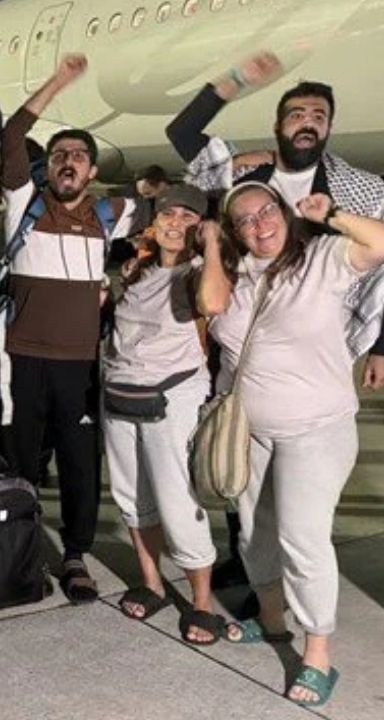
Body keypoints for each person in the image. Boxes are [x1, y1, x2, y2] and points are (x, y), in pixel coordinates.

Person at [166, 51, 384, 594]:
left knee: (306, 478)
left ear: (328, 127)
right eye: (296, 114)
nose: (307, 123)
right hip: (242, 344)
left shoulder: (356, 189)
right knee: (234, 454)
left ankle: (299, 567)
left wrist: (381, 344)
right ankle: (251, 564)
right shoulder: (247, 177)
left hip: (315, 352)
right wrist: (238, 79)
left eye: (318, 116)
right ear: (278, 124)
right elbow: (183, 131)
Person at [196, 183, 384, 706]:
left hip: (317, 428)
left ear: (283, 211)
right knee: (255, 536)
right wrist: (211, 245)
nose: (259, 225)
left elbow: (380, 244)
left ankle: (318, 653)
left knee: (302, 537)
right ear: (234, 231)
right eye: (244, 220)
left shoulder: (322, 258)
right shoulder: (235, 274)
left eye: (266, 211)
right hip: (250, 432)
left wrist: (333, 213)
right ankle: (272, 620)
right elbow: (209, 304)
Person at [0, 54, 136, 604]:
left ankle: (75, 555)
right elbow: (12, 134)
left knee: (80, 465)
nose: (68, 162)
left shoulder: (109, 215)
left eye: (79, 155)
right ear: (48, 168)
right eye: (59, 156)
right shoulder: (23, 204)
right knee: (20, 461)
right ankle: (21, 548)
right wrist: (57, 83)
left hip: (80, 364)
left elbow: (178, 215)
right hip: (22, 359)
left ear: (92, 171)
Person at [103, 184, 222, 644]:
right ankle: (152, 583)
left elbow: (213, 305)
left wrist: (211, 245)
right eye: (169, 214)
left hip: (172, 398)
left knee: (177, 500)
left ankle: (201, 602)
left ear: (202, 225)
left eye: (189, 217)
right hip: (120, 395)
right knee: (131, 496)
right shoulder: (137, 270)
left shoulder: (201, 271)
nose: (177, 223)